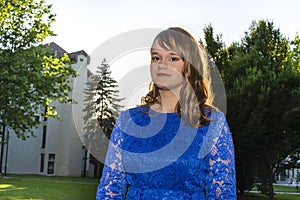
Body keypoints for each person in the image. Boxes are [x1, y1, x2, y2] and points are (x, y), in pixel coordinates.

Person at [96, 27, 236, 199]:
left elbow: (223, 193)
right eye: (156, 57)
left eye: (172, 58)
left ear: (190, 65)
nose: (162, 64)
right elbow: (109, 190)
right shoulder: (128, 121)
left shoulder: (212, 122)